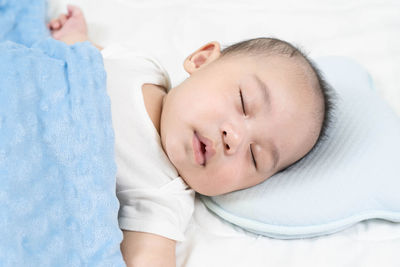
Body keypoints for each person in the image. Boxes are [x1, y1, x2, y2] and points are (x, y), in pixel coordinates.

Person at [48, 5, 333, 267]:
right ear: (201, 59)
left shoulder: (163, 196)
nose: (233, 139)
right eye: (244, 102)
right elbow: (86, 57)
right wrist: (74, 36)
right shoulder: (142, 67)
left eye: (255, 157)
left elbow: (149, 255)